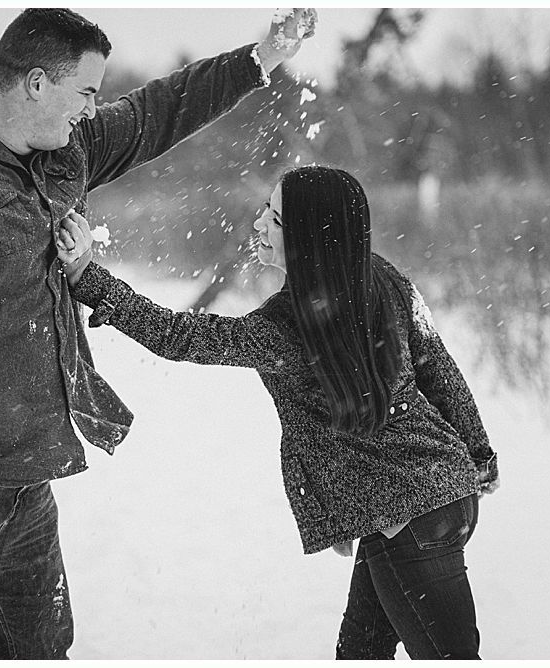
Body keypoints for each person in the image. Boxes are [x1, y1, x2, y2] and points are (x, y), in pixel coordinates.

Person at [0, 7, 317, 660]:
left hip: (22, 471)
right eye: (85, 92)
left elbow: (161, 110)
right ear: (36, 85)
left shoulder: (64, 151)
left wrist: (263, 57)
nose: (90, 109)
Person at [54, 165, 500, 660]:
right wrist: (479, 456)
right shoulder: (380, 278)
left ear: (310, 237)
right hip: (432, 502)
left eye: (278, 220)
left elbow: (180, 336)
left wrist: (87, 278)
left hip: (411, 518)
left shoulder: (289, 327)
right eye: (266, 210)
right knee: (359, 653)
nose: (260, 224)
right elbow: (438, 367)